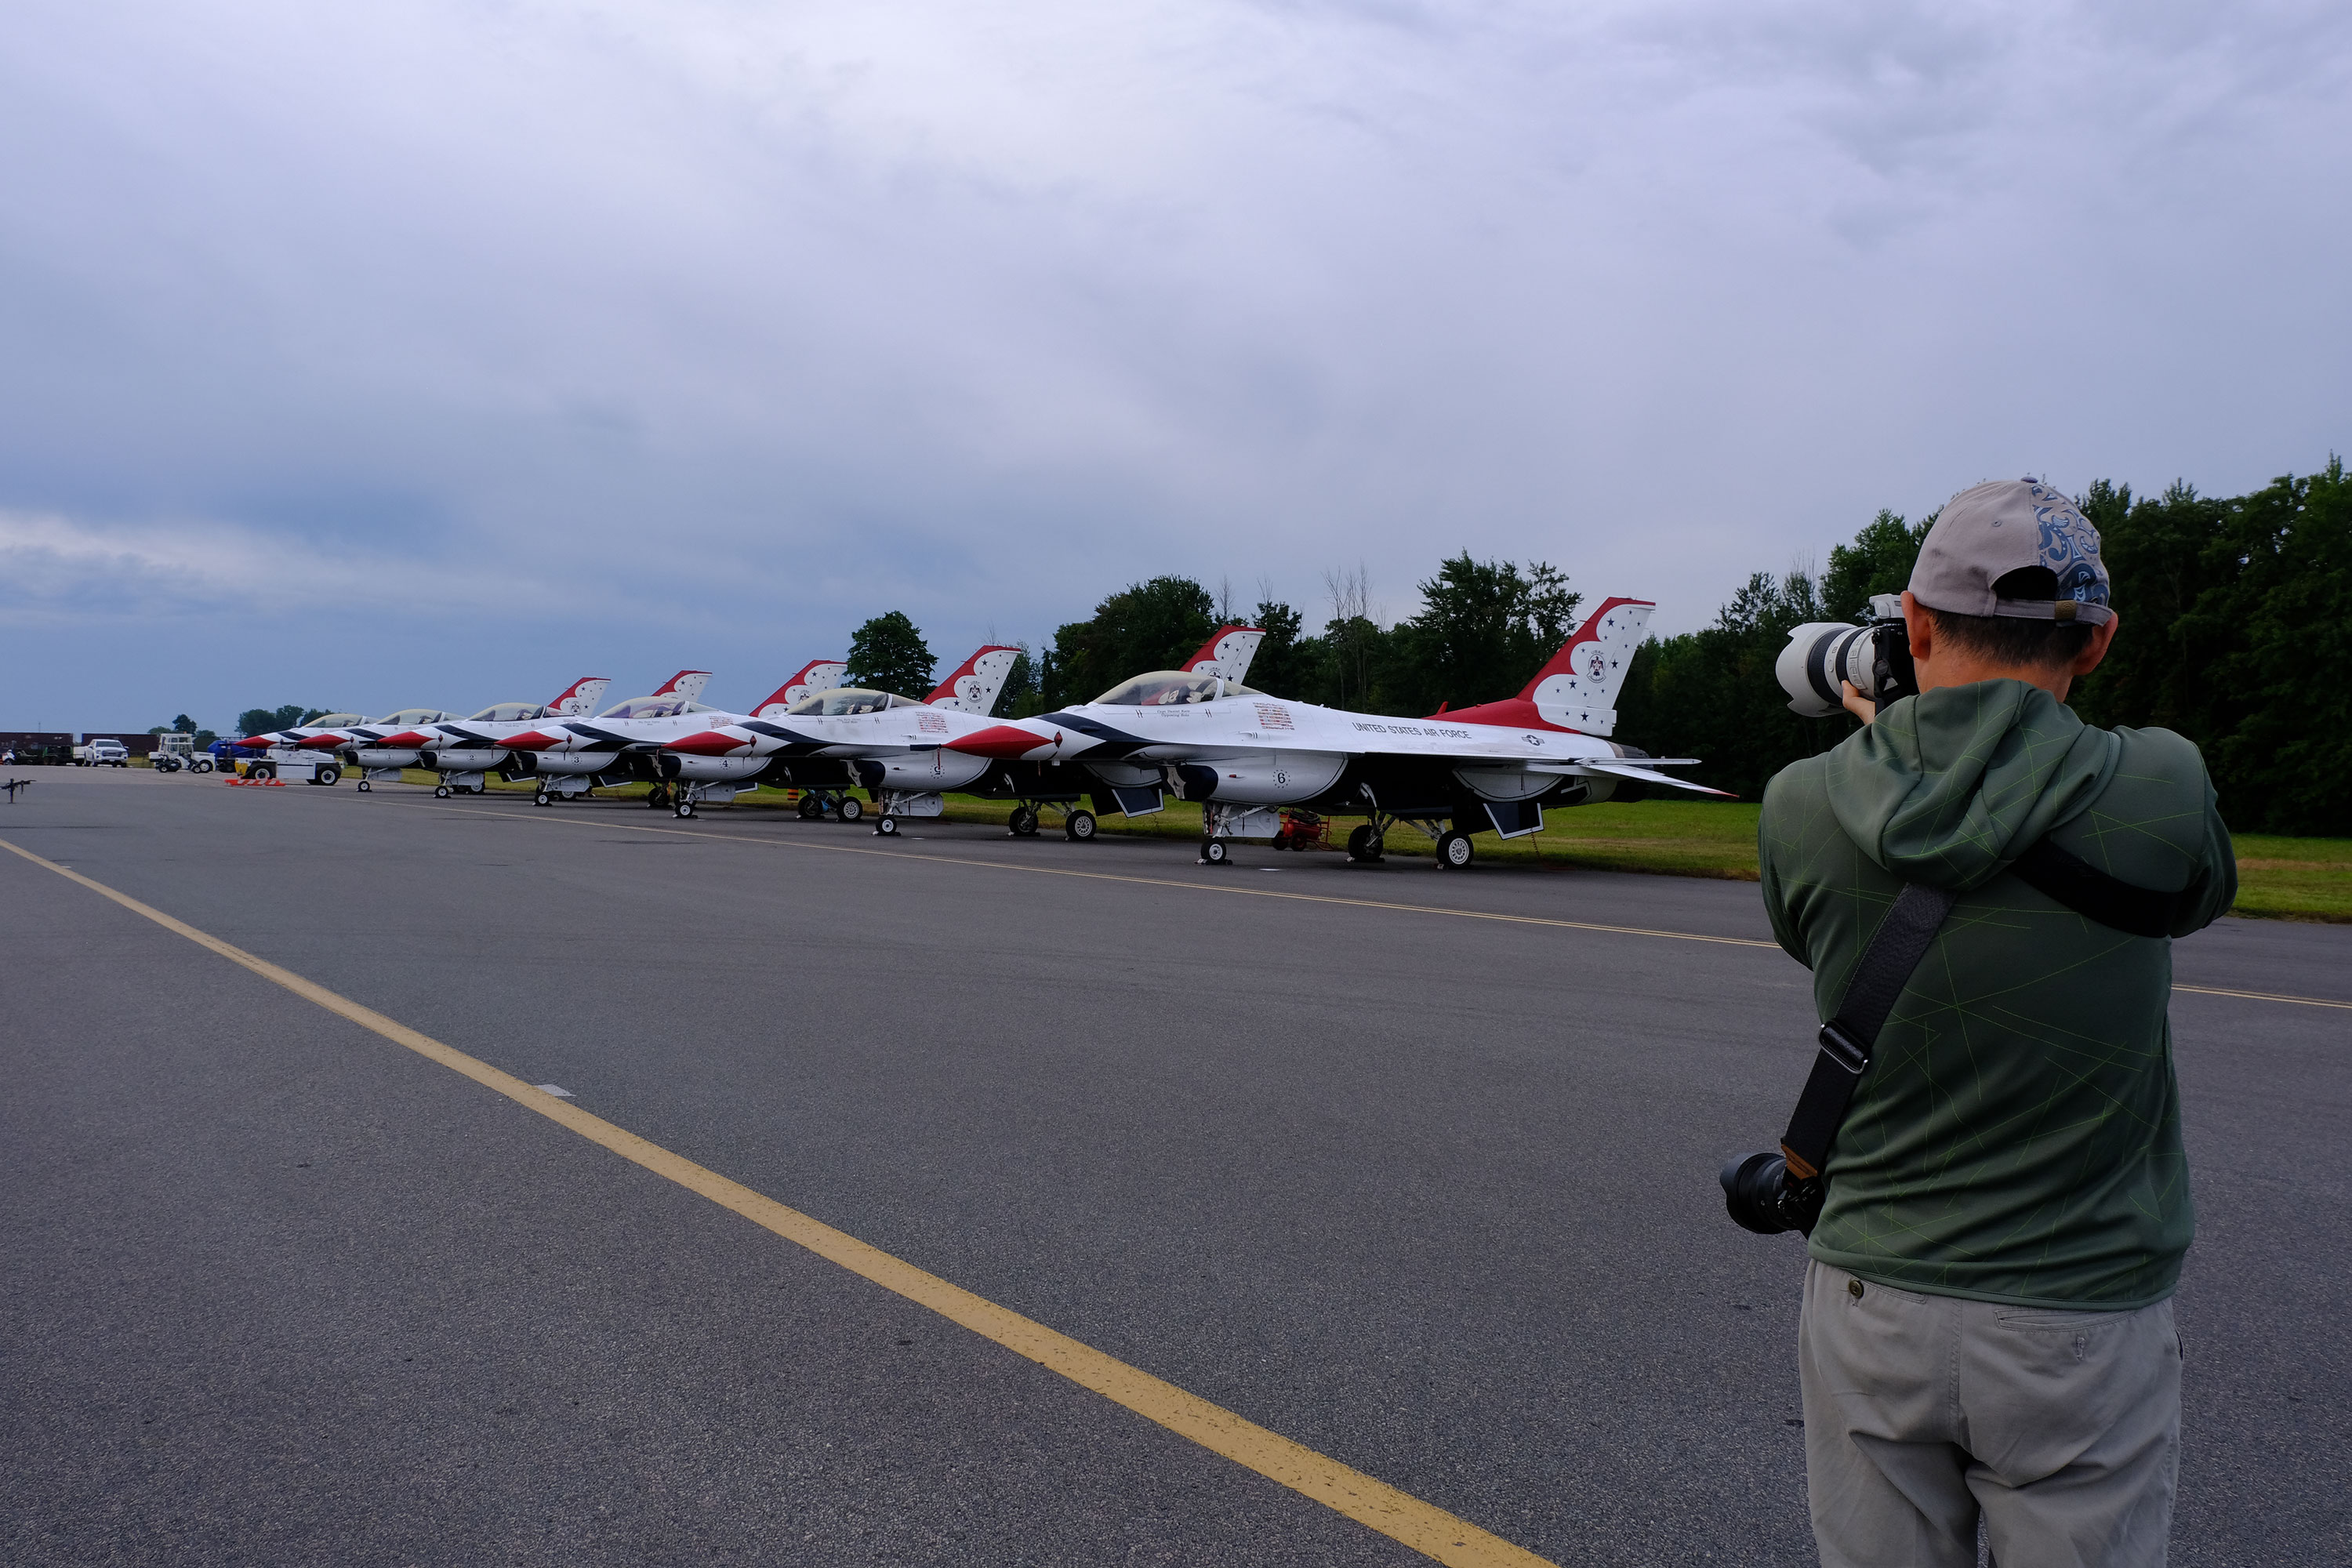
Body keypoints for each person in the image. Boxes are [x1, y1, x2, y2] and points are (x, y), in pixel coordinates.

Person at [1758, 477, 2237, 1567]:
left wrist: (1901, 745)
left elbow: (1814, 938)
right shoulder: (2163, 785)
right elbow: (2195, 893)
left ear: (1914, 626)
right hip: (2082, 1313)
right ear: (2099, 644)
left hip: (1877, 1292)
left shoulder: (1804, 802)